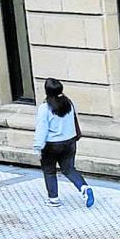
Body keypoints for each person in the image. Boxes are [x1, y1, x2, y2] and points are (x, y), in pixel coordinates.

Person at [33, 78, 94, 208]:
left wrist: (38, 146)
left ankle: (53, 199)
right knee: (69, 169)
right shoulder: (69, 104)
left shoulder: (45, 108)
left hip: (51, 145)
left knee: (49, 171)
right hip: (69, 142)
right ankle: (84, 188)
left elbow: (41, 128)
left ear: (46, 91)